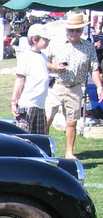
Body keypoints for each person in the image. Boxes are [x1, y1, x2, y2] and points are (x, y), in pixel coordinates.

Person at [46, 12, 103, 159]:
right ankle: (43, 148)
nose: (74, 33)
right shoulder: (55, 43)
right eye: (71, 30)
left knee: (72, 122)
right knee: (47, 119)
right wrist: (54, 67)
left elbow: (94, 69)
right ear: (66, 29)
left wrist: (99, 87)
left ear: (82, 30)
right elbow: (44, 62)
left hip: (75, 88)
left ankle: (69, 152)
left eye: (78, 30)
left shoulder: (88, 47)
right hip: (56, 86)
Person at [10, 24, 51, 134]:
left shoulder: (43, 56)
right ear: (34, 39)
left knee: (41, 136)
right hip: (27, 104)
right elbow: (19, 80)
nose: (48, 41)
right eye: (45, 39)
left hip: (40, 105)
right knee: (24, 135)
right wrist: (14, 102)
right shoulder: (25, 57)